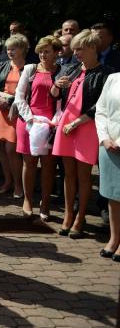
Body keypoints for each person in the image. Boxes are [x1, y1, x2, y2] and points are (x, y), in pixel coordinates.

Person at [51, 29, 113, 237]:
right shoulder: (72, 69)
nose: (76, 53)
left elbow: (100, 106)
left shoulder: (106, 74)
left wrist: (77, 122)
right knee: (68, 174)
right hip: (67, 125)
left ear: (93, 48)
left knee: (84, 176)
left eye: (80, 49)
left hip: (87, 126)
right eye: (75, 49)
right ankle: (69, 215)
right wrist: (56, 86)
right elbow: (55, 96)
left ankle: (80, 218)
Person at [14, 36, 63, 220]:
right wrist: (30, 118)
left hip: (51, 123)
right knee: (29, 162)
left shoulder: (62, 71)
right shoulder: (30, 69)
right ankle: (27, 200)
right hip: (29, 121)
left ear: (56, 53)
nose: (43, 55)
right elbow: (19, 96)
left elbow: (63, 99)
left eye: (47, 51)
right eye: (40, 51)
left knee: (49, 165)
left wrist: (55, 121)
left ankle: (45, 203)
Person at [0, 34, 28, 198]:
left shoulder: (29, 68)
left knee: (11, 149)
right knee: (2, 148)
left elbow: (30, 91)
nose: (9, 52)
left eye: (13, 49)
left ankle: (19, 185)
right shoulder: (2, 65)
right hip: (0, 109)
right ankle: (7, 181)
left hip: (17, 111)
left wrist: (12, 101)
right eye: (8, 49)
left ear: (22, 49)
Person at [96, 72, 120, 261]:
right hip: (108, 145)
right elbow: (101, 110)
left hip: (117, 143)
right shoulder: (113, 78)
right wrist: (104, 138)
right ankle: (114, 238)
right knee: (113, 194)